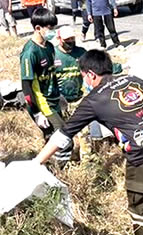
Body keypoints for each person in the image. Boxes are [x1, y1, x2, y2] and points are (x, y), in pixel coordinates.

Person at [33, 49, 143, 235]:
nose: (84, 81)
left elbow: (64, 135)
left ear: (91, 74)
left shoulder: (94, 99)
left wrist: (37, 162)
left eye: (83, 76)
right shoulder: (135, 80)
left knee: (139, 205)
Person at [20, 8, 73, 166]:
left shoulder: (49, 47)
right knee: (63, 139)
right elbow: (26, 87)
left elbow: (51, 74)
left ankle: (48, 168)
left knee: (53, 139)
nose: (53, 31)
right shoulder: (30, 53)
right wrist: (37, 113)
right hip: (42, 104)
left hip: (54, 99)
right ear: (38, 28)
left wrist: (60, 96)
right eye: (50, 28)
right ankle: (58, 172)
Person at [55, 25, 87, 103]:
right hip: (59, 99)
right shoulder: (52, 54)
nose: (70, 41)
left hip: (79, 98)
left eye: (72, 38)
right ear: (59, 39)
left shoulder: (81, 52)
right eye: (67, 39)